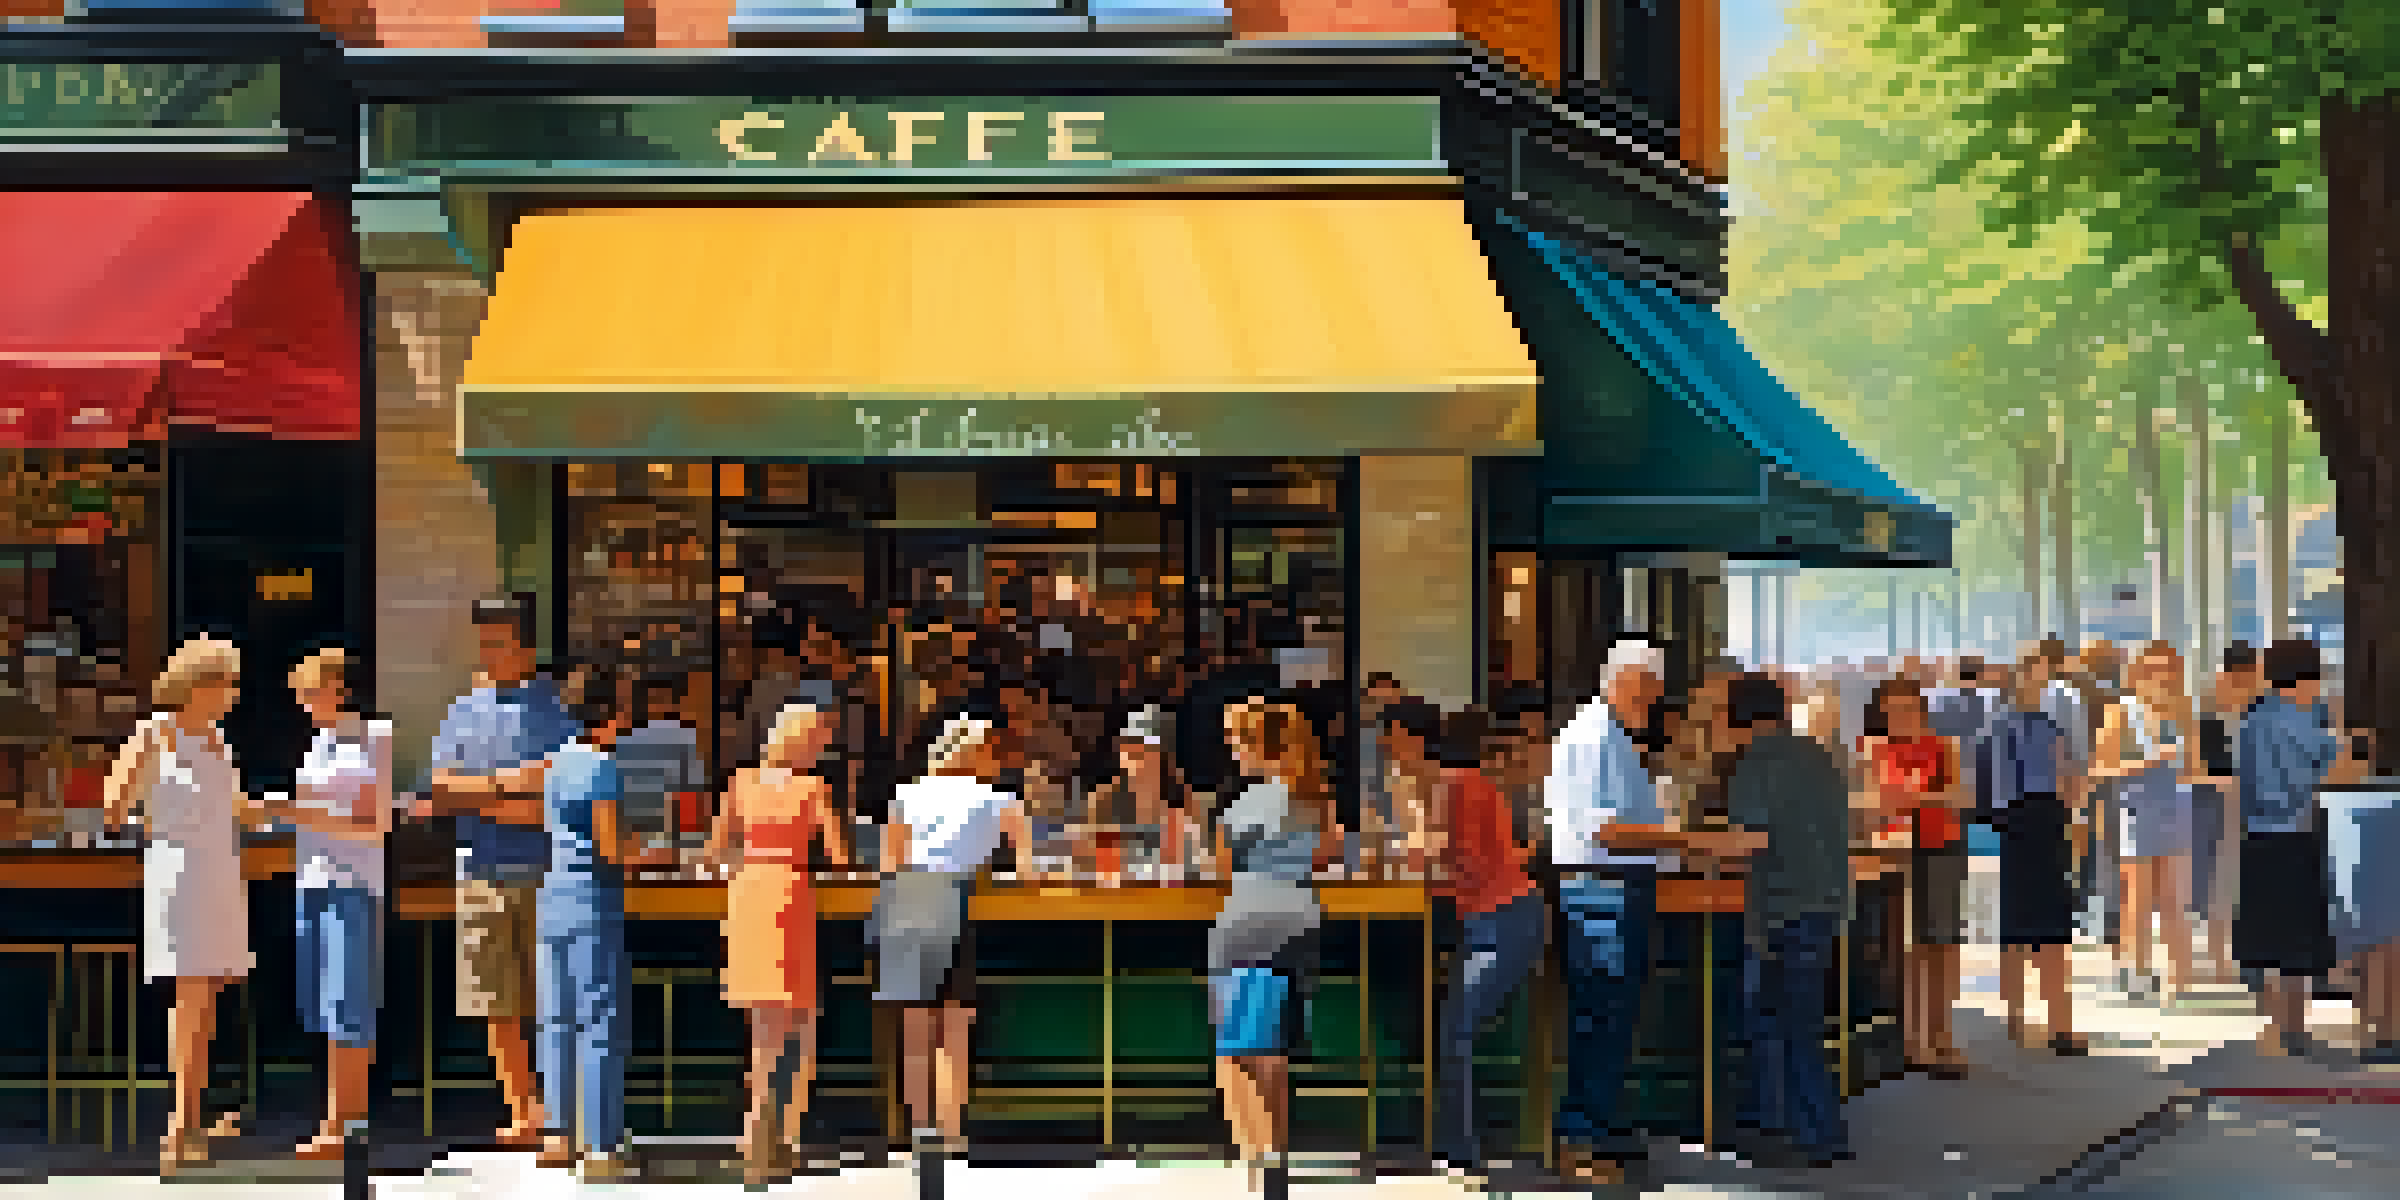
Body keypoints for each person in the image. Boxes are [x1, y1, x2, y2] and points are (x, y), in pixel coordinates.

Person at [1546, 640, 1756, 1187]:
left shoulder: (1611, 736)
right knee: (1603, 1015)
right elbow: (1606, 830)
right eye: (1651, 689)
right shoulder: (1596, 739)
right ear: (1626, 681)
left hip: (1614, 888)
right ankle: (1581, 1137)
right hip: (1604, 890)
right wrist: (1691, 841)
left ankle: (1602, 1128)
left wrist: (1680, 842)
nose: (1656, 701)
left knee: (1610, 1016)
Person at [418, 594, 579, 1146]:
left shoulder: (556, 712)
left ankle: (560, 1112)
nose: (486, 654)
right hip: (480, 870)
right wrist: (512, 783)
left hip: (546, 872)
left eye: (497, 644)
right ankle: (523, 1109)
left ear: (527, 649)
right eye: (482, 643)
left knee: (553, 999)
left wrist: (480, 793)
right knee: (496, 1002)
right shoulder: (463, 709)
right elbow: (438, 790)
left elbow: (559, 799)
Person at [103, 636, 259, 1173]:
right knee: (192, 996)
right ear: (200, 684)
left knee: (207, 996)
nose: (234, 694)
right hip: (181, 873)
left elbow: (232, 806)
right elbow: (115, 805)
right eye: (228, 683)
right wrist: (154, 818)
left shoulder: (217, 740)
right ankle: (181, 1123)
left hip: (218, 868)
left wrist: (268, 809)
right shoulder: (154, 732)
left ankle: (190, 1115)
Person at [875, 715, 1026, 1156]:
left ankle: (918, 1128)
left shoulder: (906, 795)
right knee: (954, 1024)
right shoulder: (1000, 800)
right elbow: (1027, 866)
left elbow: (889, 862)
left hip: (906, 899)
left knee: (916, 1024)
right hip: (952, 899)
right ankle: (951, 1131)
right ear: (981, 754)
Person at [713, 702, 851, 1184]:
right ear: (803, 741)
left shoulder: (742, 782)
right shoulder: (813, 788)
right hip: (790, 892)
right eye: (818, 740)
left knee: (761, 1022)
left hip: (749, 891)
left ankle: (754, 1130)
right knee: (796, 1022)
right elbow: (838, 856)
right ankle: (779, 1133)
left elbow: (715, 850)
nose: (822, 749)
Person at [1721, 674, 1852, 1166]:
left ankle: (1801, 1130)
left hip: (1777, 908)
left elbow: (1747, 841)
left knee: (1770, 1018)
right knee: (1801, 1021)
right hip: (1824, 903)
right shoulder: (1819, 758)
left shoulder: (1754, 765)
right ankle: (1809, 1126)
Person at [1211, 698, 1339, 1194]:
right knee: (1274, 1057)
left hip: (1247, 924)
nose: (1232, 751)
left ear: (1258, 747)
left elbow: (1223, 866)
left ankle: (1259, 1162)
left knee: (1235, 1056)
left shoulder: (1248, 803)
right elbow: (1326, 854)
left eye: (1237, 741)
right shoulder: (1316, 797)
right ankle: (1273, 1163)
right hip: (1298, 922)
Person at [281, 648, 395, 1161]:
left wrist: (297, 814)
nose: (303, 702)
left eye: (310, 691)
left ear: (338, 689)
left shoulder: (374, 738)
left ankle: (346, 1122)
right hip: (314, 880)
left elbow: (374, 824)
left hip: (354, 882)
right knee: (327, 1003)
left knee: (351, 1001)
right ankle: (337, 1116)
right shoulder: (317, 744)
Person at [2236, 639, 2371, 1056]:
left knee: (2271, 937)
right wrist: (2357, 745)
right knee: (2296, 936)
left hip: (2258, 835)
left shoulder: (2254, 717)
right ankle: (2294, 1028)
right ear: (2305, 677)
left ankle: (2279, 1026)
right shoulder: (2301, 723)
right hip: (2297, 832)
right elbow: (2336, 775)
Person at [532, 664, 637, 1180]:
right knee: (599, 1017)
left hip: (552, 896)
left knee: (557, 1016)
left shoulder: (555, 766)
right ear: (612, 712)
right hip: (593, 897)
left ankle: (558, 1134)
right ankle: (600, 1145)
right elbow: (611, 845)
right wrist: (648, 853)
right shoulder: (602, 767)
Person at [1431, 708, 1544, 1172]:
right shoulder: (1482, 786)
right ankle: (1465, 1145)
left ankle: (1459, 1150)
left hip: (1497, 918)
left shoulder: (1453, 787)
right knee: (1463, 1030)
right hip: (1514, 913)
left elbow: (1473, 864)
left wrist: (1434, 861)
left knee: (1456, 1032)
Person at [1859, 677, 1969, 1077]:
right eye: (1891, 710)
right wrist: (1923, 799)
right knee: (1906, 949)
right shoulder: (1875, 749)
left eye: (1906, 709)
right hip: (1894, 852)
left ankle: (1943, 1036)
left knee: (1940, 944)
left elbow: (1960, 796)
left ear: (1921, 710)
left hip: (1940, 847)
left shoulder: (1945, 746)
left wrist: (1915, 799)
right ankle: (1912, 1039)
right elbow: (1873, 804)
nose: (1899, 717)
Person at [1982, 660, 2086, 1054]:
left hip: (2044, 822)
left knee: (2045, 925)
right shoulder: (2003, 725)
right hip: (2025, 823)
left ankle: (2055, 1022)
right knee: (2026, 925)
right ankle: (2022, 1018)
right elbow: (1999, 789)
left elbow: (2069, 778)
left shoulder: (2046, 724)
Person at [2095, 643, 2199, 1002]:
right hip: (2138, 807)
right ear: (2138, 673)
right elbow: (2101, 768)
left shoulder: (2183, 710)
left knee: (2174, 898)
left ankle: (2179, 977)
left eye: (2168, 669)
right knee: (2137, 896)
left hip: (2177, 807)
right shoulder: (2122, 712)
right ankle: (2136, 972)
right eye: (2153, 669)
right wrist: (2149, 760)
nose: (2162, 677)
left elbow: (2192, 768)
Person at [2193, 642, 2264, 980]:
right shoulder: (2213, 711)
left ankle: (2241, 955)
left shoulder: (2260, 709)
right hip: (2222, 805)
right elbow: (2203, 764)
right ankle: (2221, 957)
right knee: (2222, 882)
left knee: (2244, 880)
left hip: (2253, 805)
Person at [1081, 704, 1197, 881]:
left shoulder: (1185, 804)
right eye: (1129, 747)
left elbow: (1184, 867)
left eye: (1145, 749)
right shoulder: (1103, 799)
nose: (1132, 754)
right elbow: (1099, 865)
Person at [611, 671, 705, 846]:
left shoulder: (681, 735)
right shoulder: (627, 739)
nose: (658, 704)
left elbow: (691, 786)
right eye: (654, 699)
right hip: (642, 825)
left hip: (661, 825)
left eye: (663, 699)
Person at [1378, 698, 1446, 879]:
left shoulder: (1447, 783)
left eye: (1392, 736)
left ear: (1418, 739)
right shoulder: (1389, 780)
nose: (1384, 743)